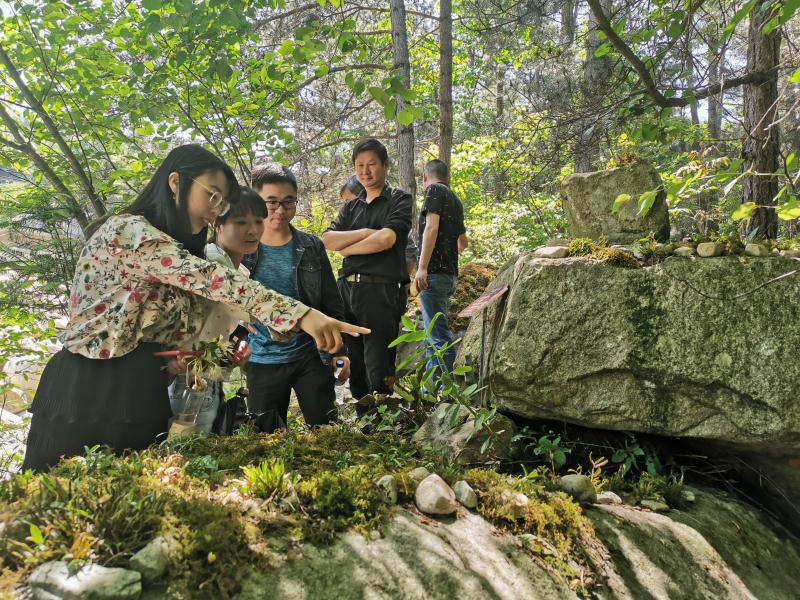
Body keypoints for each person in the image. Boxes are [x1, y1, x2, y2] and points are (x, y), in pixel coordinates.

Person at [22, 144, 368, 471]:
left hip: (141, 384)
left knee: (133, 499)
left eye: (221, 201)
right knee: (56, 496)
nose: (215, 209)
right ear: (176, 182)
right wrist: (301, 314)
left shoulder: (176, 247)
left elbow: (178, 314)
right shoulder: (130, 231)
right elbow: (212, 280)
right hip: (87, 385)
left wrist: (179, 356)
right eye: (212, 195)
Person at [244, 163, 349, 426]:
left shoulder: (310, 246)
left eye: (288, 202)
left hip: (310, 355)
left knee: (325, 429)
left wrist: (339, 352)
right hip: (261, 359)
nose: (280, 210)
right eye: (271, 202)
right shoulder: (242, 249)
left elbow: (330, 301)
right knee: (265, 441)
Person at [323, 139, 412, 413]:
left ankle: (384, 421)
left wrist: (348, 249)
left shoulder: (399, 199)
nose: (365, 172)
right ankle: (365, 420)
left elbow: (387, 239)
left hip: (381, 291)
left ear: (385, 165)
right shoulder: (352, 206)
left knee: (378, 362)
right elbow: (327, 239)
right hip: (347, 292)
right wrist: (363, 235)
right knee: (355, 361)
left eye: (372, 164)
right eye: (360, 166)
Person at [167, 187, 265, 434]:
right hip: (188, 379)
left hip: (208, 378)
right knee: (184, 457)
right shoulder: (209, 262)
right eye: (241, 222)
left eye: (258, 221)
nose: (253, 230)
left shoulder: (239, 271)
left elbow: (215, 323)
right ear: (217, 225)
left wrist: (236, 347)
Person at [414, 159, 468, 378]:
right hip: (448, 275)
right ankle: (432, 391)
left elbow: (431, 228)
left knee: (437, 336)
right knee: (432, 335)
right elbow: (462, 243)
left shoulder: (434, 190)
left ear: (425, 177)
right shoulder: (455, 200)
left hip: (433, 274)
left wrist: (422, 267)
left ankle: (445, 392)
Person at [340, 174, 418, 286]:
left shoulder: (388, 215)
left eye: (348, 201)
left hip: (383, 288)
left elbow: (410, 251)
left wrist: (402, 284)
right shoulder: (354, 222)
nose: (346, 206)